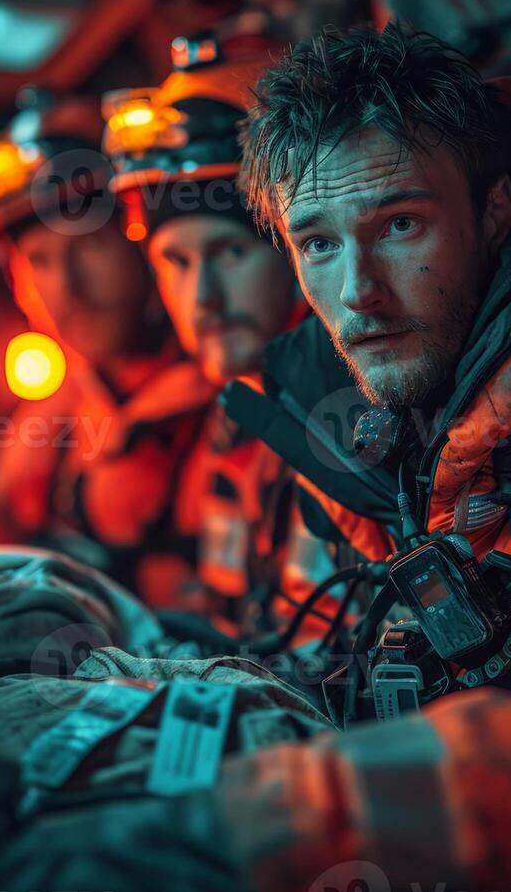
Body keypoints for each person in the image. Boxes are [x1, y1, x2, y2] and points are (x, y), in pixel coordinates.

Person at [201, 22, 511, 892]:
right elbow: (339, 668)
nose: (359, 295)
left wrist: (282, 824)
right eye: (318, 245)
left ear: (494, 212)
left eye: (400, 224)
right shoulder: (362, 441)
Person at [102, 33, 341, 641]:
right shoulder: (222, 419)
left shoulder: (357, 417)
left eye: (231, 251)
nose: (203, 297)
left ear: (296, 250)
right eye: (175, 262)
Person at [0, 90, 214, 604]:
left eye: (88, 244)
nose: (66, 284)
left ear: (143, 241)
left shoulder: (228, 384)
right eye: (39, 260)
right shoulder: (59, 420)